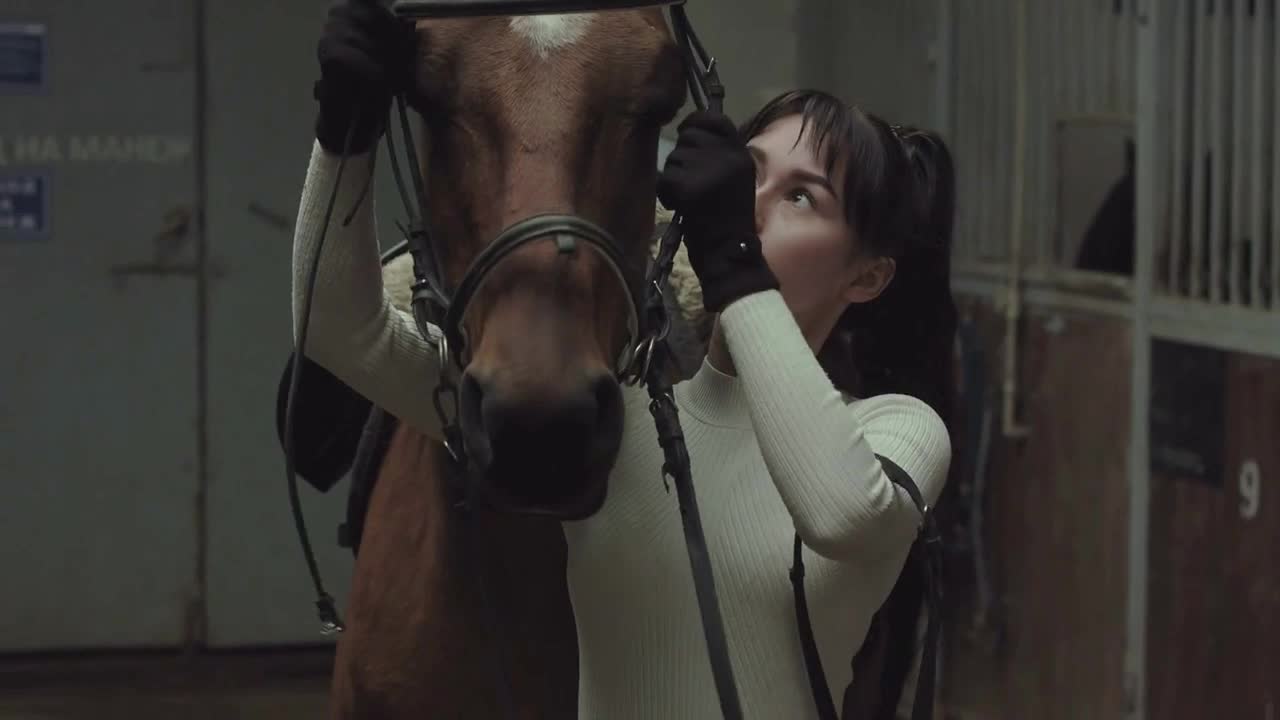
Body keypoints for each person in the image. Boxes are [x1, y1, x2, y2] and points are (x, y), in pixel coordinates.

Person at [292, 2, 957, 717]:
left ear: (867, 277)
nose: (748, 206)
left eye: (799, 196)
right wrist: (344, 136)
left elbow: (842, 514)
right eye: (745, 174)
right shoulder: (628, 426)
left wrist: (735, 264)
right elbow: (340, 332)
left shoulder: (900, 432)